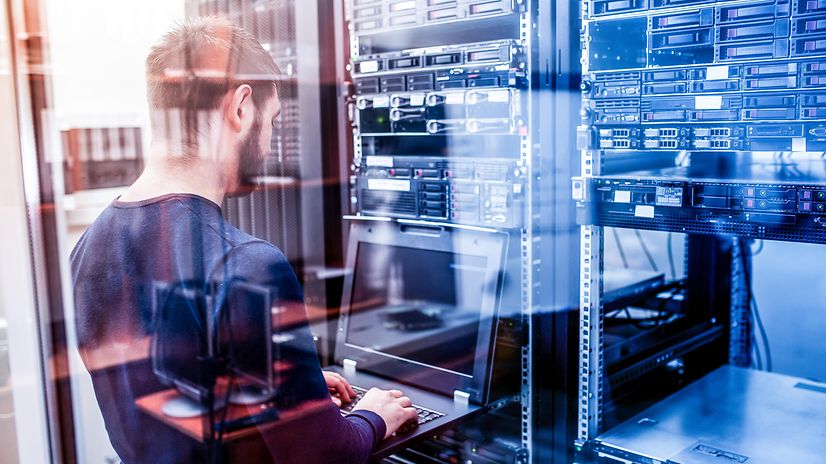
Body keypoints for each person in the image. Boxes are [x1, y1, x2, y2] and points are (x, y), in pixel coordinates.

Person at [70, 17, 416, 464]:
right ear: (240, 108)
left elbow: (172, 398)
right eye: (273, 121)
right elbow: (324, 457)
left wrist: (294, 394)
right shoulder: (248, 264)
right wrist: (372, 416)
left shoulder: (90, 245)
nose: (271, 142)